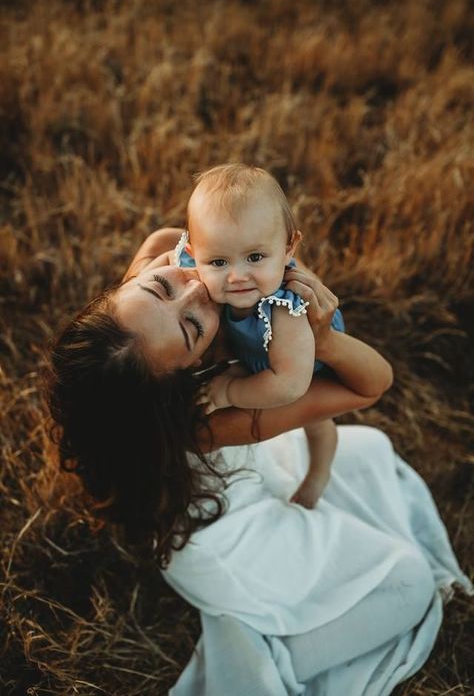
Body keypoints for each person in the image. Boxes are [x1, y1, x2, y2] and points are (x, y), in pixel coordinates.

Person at [46, 227, 471, 695]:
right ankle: (269, 648)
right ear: (182, 389)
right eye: (192, 326)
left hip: (238, 478)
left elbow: (164, 236)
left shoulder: (139, 322)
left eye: (160, 285)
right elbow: (370, 385)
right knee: (409, 586)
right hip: (231, 535)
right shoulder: (206, 421)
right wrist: (321, 337)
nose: (195, 288)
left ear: (127, 285)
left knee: (370, 450)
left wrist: (223, 262)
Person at [173, 164, 347, 509]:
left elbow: (290, 385)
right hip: (257, 354)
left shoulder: (284, 309)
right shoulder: (196, 269)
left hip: (302, 365)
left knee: (317, 420)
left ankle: (319, 472)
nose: (237, 276)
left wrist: (229, 392)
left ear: (288, 248)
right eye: (219, 262)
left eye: (255, 257)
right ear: (195, 254)